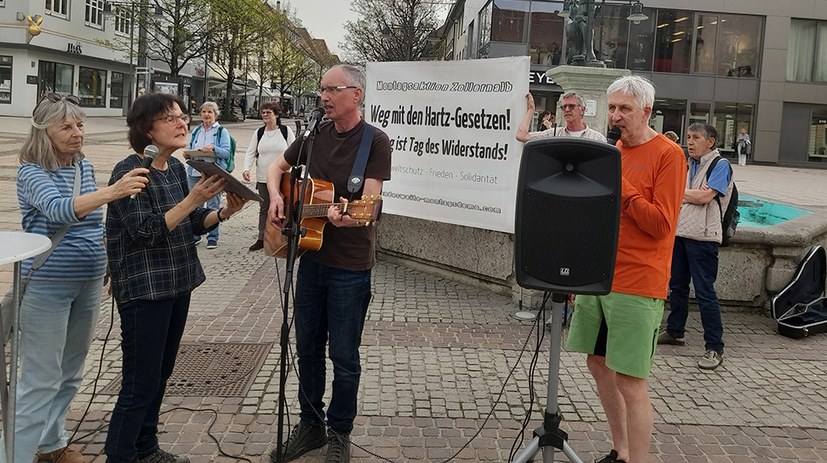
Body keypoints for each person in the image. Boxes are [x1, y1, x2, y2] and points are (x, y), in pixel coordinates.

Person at [0, 94, 148, 463]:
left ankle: (52, 445)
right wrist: (113, 191)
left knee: (70, 373)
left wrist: (109, 260)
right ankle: (14, 455)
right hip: (47, 285)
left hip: (87, 281)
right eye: (66, 126)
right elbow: (59, 210)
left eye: (79, 124)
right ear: (43, 132)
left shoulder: (81, 167)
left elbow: (93, 224)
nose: (76, 132)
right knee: (39, 380)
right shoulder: (32, 171)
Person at [104, 92, 248, 463]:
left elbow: (192, 224)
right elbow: (145, 230)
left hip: (177, 283)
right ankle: (120, 455)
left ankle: (146, 448)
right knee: (140, 382)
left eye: (183, 116)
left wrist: (225, 213)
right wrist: (192, 200)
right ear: (147, 130)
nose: (182, 123)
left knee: (161, 375)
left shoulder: (177, 169)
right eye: (171, 118)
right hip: (144, 290)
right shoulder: (130, 171)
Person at [266, 64, 391, 463]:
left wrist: (348, 215)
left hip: (350, 267)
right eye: (322, 89)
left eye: (332, 89)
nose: (324, 96)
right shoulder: (313, 135)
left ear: (356, 94)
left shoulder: (375, 141)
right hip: (310, 258)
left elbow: (369, 206)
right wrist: (276, 197)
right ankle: (309, 425)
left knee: (344, 355)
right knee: (307, 350)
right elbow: (276, 168)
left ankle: (340, 432)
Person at [565, 75, 686, 463]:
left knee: (631, 381)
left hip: (639, 282)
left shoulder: (668, 154)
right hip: (600, 277)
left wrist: (623, 189)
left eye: (624, 109)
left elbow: (662, 224)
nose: (615, 116)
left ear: (646, 111)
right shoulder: (614, 151)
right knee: (597, 363)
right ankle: (620, 450)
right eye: (612, 107)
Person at [659, 123, 733, 371]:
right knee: (677, 286)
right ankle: (674, 330)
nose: (689, 142)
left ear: (710, 141)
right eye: (688, 137)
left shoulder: (719, 165)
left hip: (703, 238)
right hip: (680, 234)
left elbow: (704, 197)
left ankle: (714, 346)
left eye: (696, 138)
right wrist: (691, 193)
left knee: (705, 292)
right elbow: (683, 194)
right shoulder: (687, 164)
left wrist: (684, 192)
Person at [242, 101, 296, 251]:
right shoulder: (259, 133)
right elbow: (250, 152)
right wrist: (246, 168)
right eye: (263, 112)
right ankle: (262, 237)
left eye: (268, 112)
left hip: (284, 177)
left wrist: (301, 172)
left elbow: (296, 152)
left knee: (285, 207)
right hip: (263, 178)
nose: (265, 115)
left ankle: (285, 237)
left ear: (276, 115)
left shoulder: (285, 131)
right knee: (265, 208)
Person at [183, 101, 231, 249]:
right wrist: (188, 154)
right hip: (195, 172)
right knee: (194, 203)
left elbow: (226, 152)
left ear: (215, 114)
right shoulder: (197, 130)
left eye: (210, 112)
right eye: (204, 112)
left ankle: (212, 237)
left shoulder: (221, 131)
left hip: (213, 172)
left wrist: (213, 148)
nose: (206, 115)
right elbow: (192, 148)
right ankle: (196, 234)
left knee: (213, 205)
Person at [516, 92, 607, 143]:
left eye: (571, 106)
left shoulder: (597, 138)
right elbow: (522, 136)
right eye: (564, 107)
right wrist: (531, 110)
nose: (567, 110)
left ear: (582, 110)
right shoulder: (553, 134)